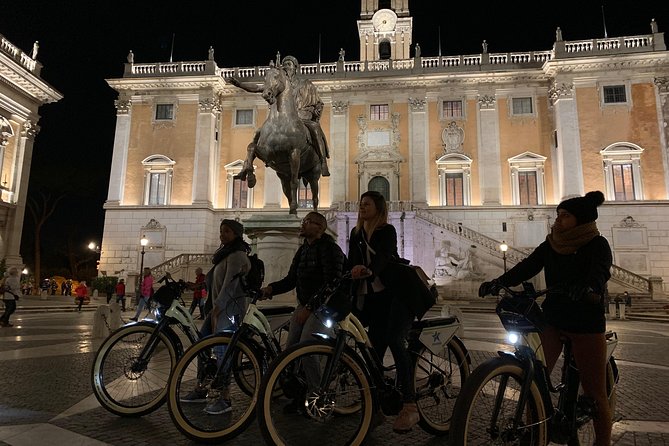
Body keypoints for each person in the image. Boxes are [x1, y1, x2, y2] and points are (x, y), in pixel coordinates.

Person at [479, 191, 613, 446]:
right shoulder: (552, 243)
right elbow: (528, 266)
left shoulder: (597, 244)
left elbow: (601, 271)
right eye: (558, 215)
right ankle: (533, 431)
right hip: (553, 317)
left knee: (596, 393)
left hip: (585, 322)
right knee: (536, 378)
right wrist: (499, 282)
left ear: (581, 219)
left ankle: (603, 441)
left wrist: (590, 288)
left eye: (565, 216)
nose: (558, 220)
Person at [260, 211, 347, 412]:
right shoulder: (303, 250)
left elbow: (333, 282)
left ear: (320, 227)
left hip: (327, 306)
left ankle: (317, 397)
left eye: (307, 221)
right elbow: (292, 279)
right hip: (307, 304)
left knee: (307, 348)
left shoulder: (330, 249)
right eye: (304, 221)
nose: (303, 224)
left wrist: (310, 308)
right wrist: (270, 289)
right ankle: (300, 396)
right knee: (291, 350)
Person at [347, 190, 419, 433]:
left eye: (367, 204)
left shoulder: (386, 230)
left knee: (396, 342)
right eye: (360, 203)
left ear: (378, 207)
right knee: (374, 351)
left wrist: (370, 271)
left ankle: (410, 406)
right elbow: (350, 264)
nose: (362, 207)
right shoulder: (356, 233)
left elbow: (386, 256)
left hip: (397, 294)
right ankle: (375, 406)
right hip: (374, 299)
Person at [180, 219, 252, 415]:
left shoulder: (237, 255)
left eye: (227, 231)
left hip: (229, 311)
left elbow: (230, 285)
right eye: (221, 231)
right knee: (201, 347)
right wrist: (193, 286)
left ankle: (225, 397)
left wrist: (218, 308)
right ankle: (201, 387)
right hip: (217, 310)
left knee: (223, 353)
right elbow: (214, 282)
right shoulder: (224, 255)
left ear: (236, 234)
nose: (222, 234)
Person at [227, 55, 330, 180]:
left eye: (289, 64)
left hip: (303, 117)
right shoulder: (278, 84)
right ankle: (247, 165)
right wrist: (240, 84)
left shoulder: (305, 84)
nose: (286, 67)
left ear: (295, 68)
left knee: (315, 127)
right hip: (283, 118)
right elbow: (259, 88)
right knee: (258, 133)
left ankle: (323, 161)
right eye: (284, 64)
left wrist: (314, 114)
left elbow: (318, 103)